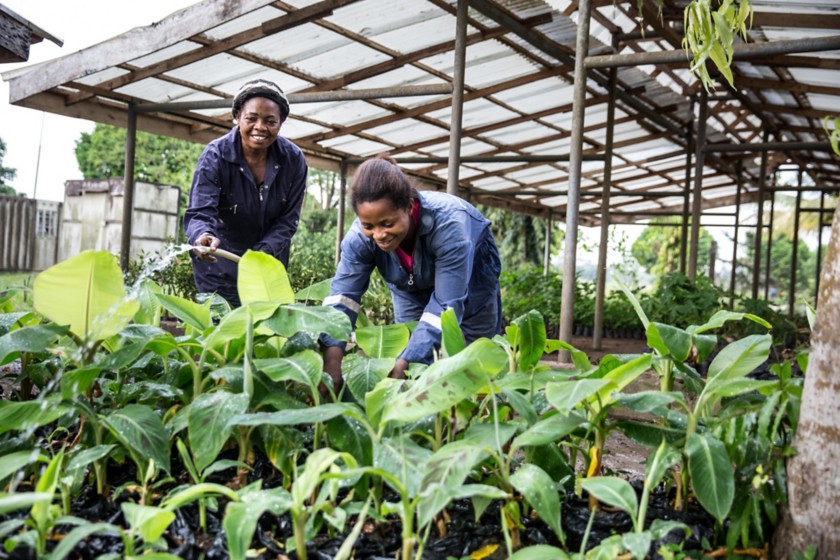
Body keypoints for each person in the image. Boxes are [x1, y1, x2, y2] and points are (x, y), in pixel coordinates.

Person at [321, 155, 502, 393]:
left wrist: (405, 363)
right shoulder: (358, 239)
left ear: (408, 206)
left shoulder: (450, 225)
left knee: (472, 358)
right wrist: (331, 363)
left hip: (472, 282)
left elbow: (446, 306)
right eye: (369, 226)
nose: (379, 235)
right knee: (410, 349)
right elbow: (343, 298)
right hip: (408, 284)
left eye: (387, 223)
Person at [184, 79, 308, 307]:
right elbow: (200, 212)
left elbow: (288, 220)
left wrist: (260, 255)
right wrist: (202, 235)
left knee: (264, 333)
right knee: (224, 331)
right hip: (219, 266)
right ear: (237, 117)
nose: (260, 127)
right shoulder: (215, 155)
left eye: (270, 121)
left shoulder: (293, 160)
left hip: (266, 266)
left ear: (280, 123)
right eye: (251, 118)